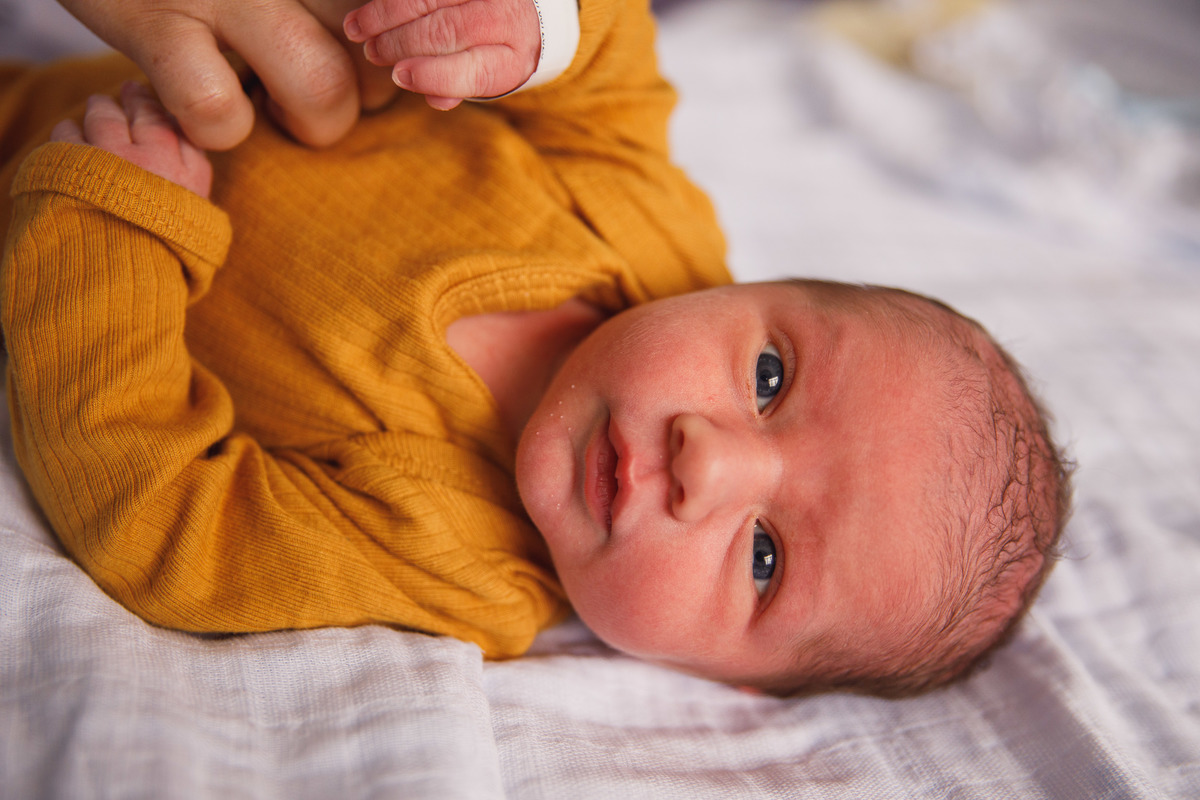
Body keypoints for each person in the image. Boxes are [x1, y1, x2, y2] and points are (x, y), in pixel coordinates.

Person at [0, 0, 1070, 697]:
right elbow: (614, 74)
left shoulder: (464, 564)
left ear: (723, 675)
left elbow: (167, 520)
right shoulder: (650, 237)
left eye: (764, 557)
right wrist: (529, 33)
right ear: (751, 288)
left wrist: (117, 233)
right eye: (771, 378)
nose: (713, 460)